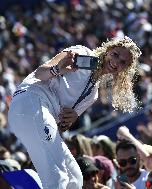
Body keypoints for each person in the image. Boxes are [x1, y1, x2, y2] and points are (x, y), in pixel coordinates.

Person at [7, 36, 141, 189]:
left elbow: (61, 126)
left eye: (123, 62)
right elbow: (39, 73)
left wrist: (70, 119)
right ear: (108, 49)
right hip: (30, 101)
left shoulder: (93, 95)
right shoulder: (81, 52)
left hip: (35, 117)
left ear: (125, 69)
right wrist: (57, 69)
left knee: (75, 177)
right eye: (115, 54)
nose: (116, 62)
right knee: (57, 176)